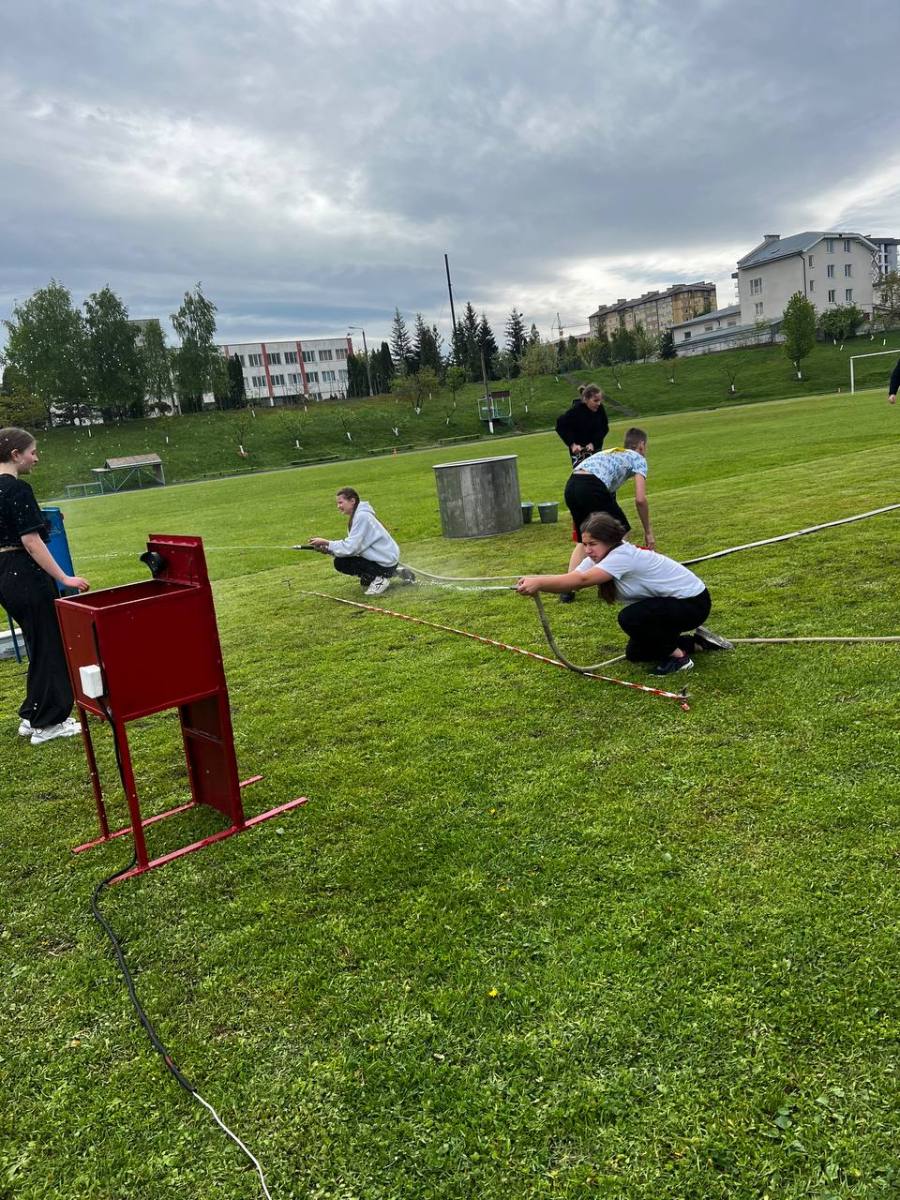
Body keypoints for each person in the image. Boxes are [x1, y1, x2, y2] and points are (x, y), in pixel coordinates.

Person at [516, 512, 731, 676]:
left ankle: (679, 658)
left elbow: (582, 581)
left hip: (693, 603)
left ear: (610, 540)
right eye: (585, 545)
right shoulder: (597, 558)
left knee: (630, 617)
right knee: (635, 654)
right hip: (670, 604)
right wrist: (537, 583)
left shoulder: (622, 556)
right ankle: (699, 643)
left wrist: (539, 582)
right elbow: (571, 580)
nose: (588, 550)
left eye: (593, 544)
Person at [0, 427, 91, 744]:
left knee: (38, 642)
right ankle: (49, 722)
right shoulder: (17, 489)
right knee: (50, 644)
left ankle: (33, 713)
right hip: (24, 574)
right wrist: (64, 578)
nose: (36, 458)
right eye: (32, 452)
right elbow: (31, 542)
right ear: (15, 454)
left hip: (5, 576)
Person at [558, 426, 655, 603]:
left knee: (584, 539)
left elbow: (606, 492)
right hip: (591, 485)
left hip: (572, 485)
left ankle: (567, 589)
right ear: (641, 445)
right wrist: (648, 532)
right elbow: (640, 499)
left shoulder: (613, 453)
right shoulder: (638, 458)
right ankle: (611, 582)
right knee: (619, 532)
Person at [308, 487, 410, 596]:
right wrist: (329, 550)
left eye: (341, 502)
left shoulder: (362, 516)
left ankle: (381, 577)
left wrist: (328, 543)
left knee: (341, 563)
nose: (338, 506)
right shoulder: (359, 515)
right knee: (359, 576)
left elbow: (351, 548)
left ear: (352, 501)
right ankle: (394, 572)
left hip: (385, 562)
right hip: (386, 560)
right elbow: (354, 548)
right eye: (337, 503)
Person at [555, 384, 610, 467]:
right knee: (583, 474)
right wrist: (572, 444)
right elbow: (560, 425)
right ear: (586, 399)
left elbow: (604, 428)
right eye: (595, 401)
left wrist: (593, 443)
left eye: (600, 400)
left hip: (595, 450)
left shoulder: (600, 409)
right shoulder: (576, 411)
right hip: (579, 454)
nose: (598, 403)